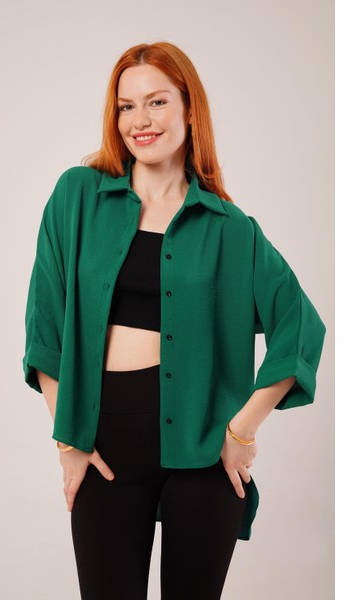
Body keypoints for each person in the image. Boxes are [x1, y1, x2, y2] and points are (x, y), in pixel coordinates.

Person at [22, 41, 326, 600]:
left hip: (202, 449)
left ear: (189, 109)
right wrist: (68, 439)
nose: (139, 120)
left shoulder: (230, 228)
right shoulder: (77, 196)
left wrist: (242, 430)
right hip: (104, 446)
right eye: (126, 106)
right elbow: (45, 325)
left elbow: (300, 325)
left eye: (157, 102)